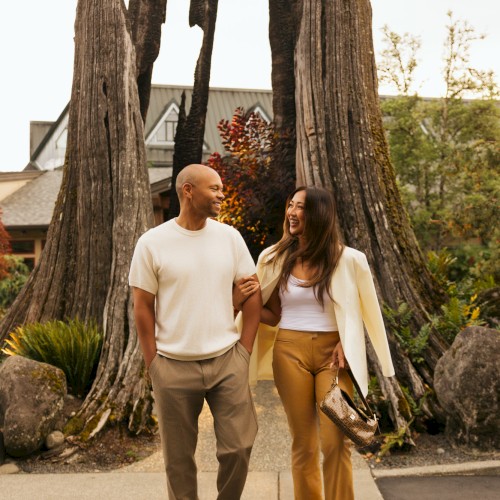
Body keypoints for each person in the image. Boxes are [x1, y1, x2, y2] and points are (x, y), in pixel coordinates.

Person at [234, 186, 395, 500]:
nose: (292, 212)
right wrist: (240, 302)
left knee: (336, 440)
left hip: (332, 359)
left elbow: (364, 309)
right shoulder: (273, 257)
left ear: (320, 214)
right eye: (291, 205)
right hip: (289, 352)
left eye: (301, 207)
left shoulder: (350, 260)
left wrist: (347, 341)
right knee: (303, 443)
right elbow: (272, 312)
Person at [129, 164, 262, 500]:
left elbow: (253, 292)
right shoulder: (152, 243)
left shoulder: (229, 237)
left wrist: (244, 350)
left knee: (238, 446)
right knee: (178, 460)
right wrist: (153, 363)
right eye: (214, 188)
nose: (221, 194)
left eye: (221, 189)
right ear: (188, 190)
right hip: (172, 365)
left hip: (226, 360)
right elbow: (142, 306)